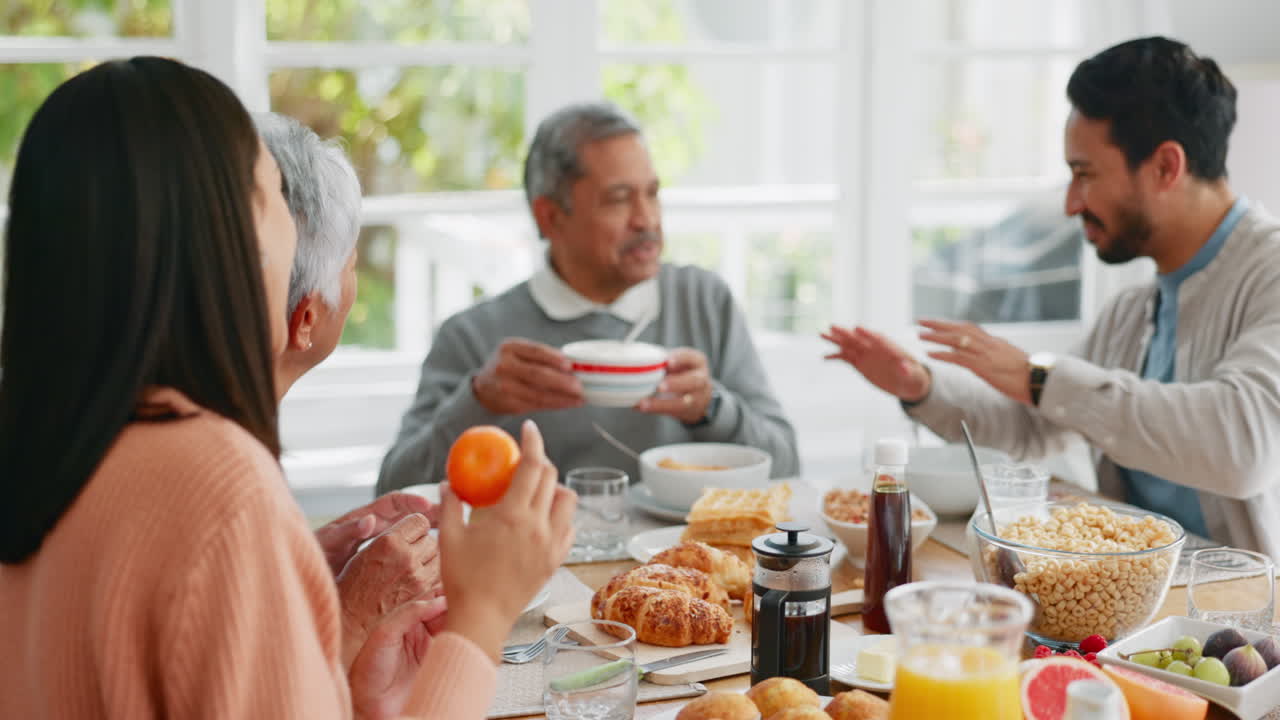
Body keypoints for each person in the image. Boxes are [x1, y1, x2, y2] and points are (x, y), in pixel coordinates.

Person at [0, 57, 575, 720]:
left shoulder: (47, 435)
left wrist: (292, 584)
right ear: (221, 246)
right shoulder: (213, 480)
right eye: (267, 190)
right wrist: (482, 620)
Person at [824, 36, 1280, 559]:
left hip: (1246, 602)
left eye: (1084, 174)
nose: (1070, 204)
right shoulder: (1132, 311)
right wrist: (923, 387)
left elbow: (1244, 448)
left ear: (1165, 167)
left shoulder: (1269, 274)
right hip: (1140, 594)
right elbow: (1036, 427)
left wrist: (1039, 378)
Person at [378, 102, 798, 493]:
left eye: (652, 193)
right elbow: (395, 490)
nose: (646, 219)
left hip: (684, 549)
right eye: (619, 200)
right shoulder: (474, 337)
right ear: (550, 217)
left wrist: (712, 408)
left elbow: (786, 464)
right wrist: (478, 403)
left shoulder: (704, 302)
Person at [256, 111, 444, 670]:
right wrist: (354, 613)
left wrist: (305, 563)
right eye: (352, 265)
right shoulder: (223, 468)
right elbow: (265, 695)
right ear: (307, 317)